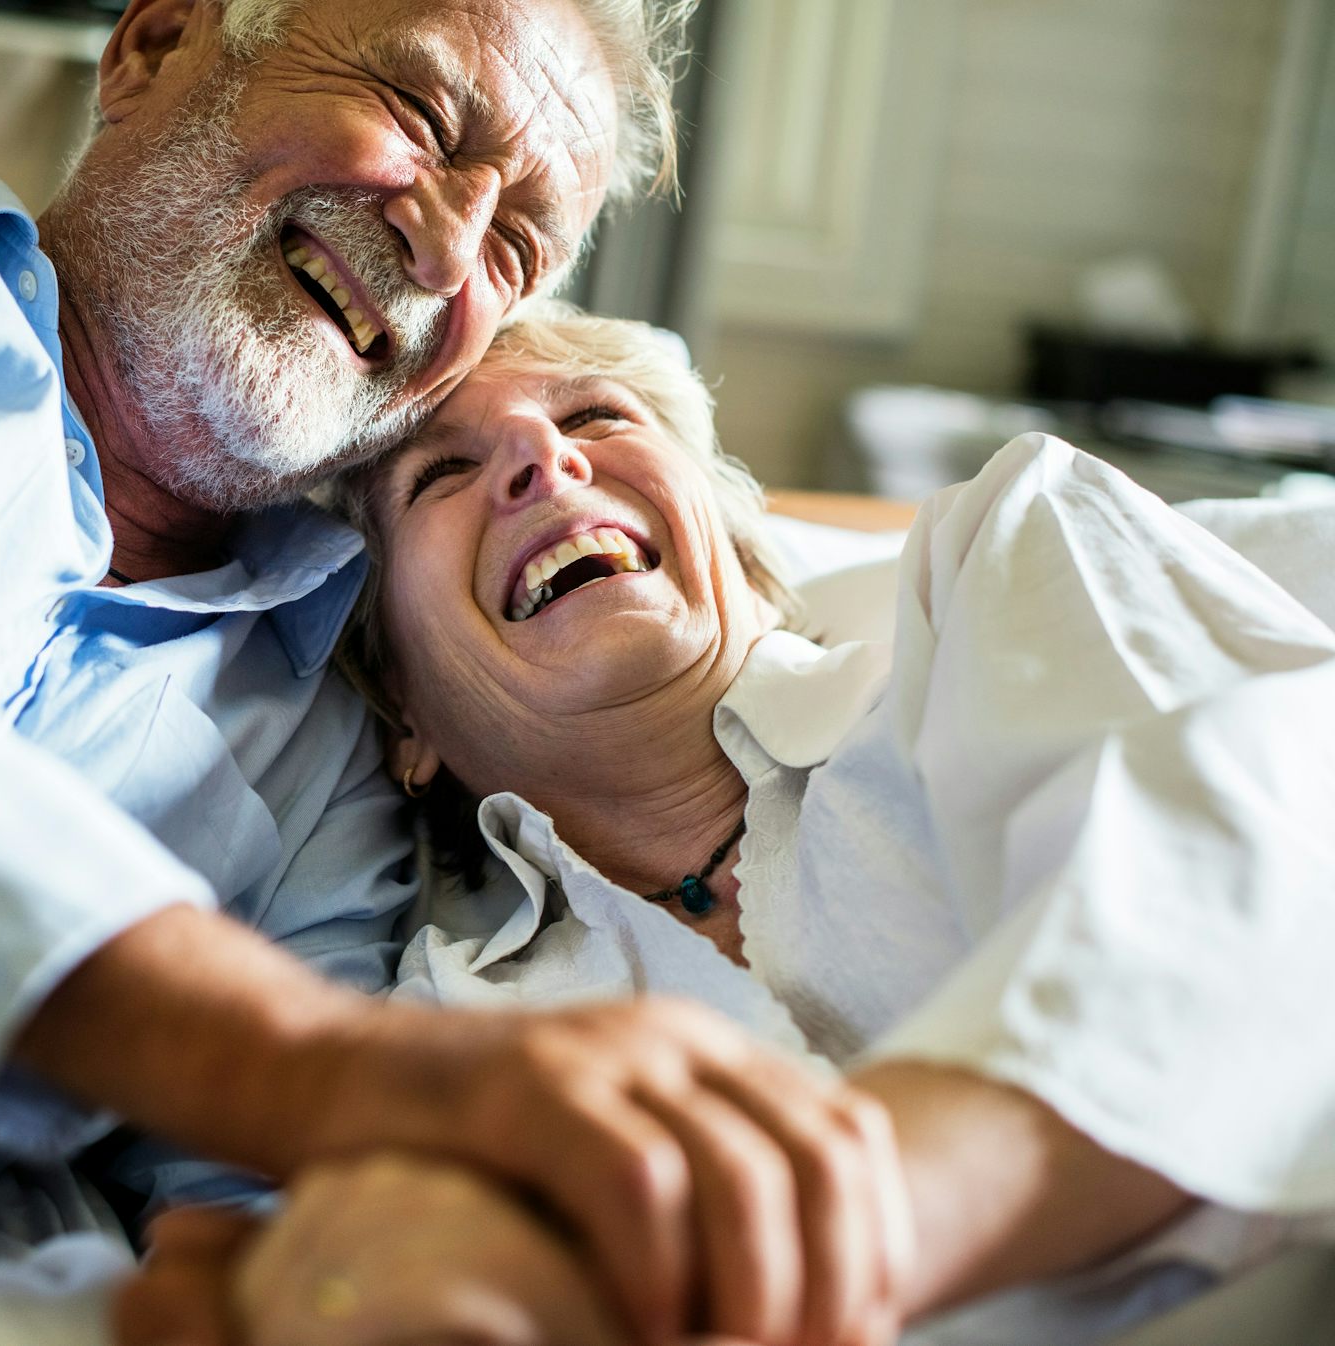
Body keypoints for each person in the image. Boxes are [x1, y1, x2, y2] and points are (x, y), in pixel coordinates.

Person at [0, 1, 915, 1342]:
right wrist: (281, 1057)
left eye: (515, 247)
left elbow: (251, 1221)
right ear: (155, 44)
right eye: (423, 116)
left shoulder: (328, 748)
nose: (451, 247)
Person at [137, 299, 1335, 1346]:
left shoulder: (1001, 560)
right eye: (438, 474)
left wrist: (811, 1239)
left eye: (598, 417)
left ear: (744, 555)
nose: (542, 463)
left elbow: (1269, 860)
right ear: (403, 708)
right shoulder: (455, 1035)